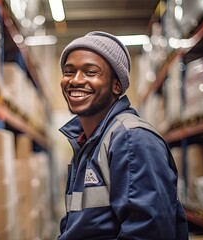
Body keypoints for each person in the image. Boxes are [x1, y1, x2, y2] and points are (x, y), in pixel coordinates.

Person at [58, 31, 188, 239]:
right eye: (68, 71)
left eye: (91, 72)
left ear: (116, 86)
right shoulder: (88, 144)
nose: (75, 80)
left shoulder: (131, 139)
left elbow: (149, 233)